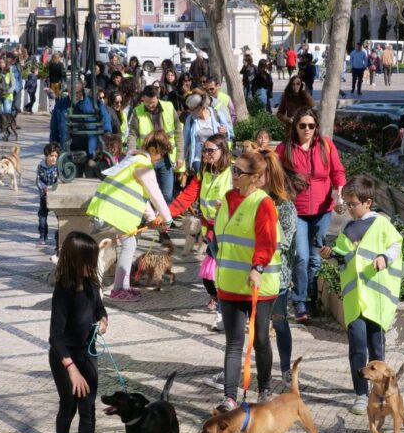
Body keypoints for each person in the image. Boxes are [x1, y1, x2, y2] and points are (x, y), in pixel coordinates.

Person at [319, 175, 404, 415]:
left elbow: (396, 246)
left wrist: (384, 258)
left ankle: (383, 393)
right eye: (347, 204)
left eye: (352, 204)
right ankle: (360, 394)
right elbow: (343, 258)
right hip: (355, 301)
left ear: (368, 202)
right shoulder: (348, 228)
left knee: (377, 350)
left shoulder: (383, 224)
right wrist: (330, 255)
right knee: (357, 348)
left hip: (375, 302)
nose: (349, 208)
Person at [214, 151, 281, 411]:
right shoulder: (228, 198)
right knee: (233, 343)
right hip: (229, 285)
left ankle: (264, 390)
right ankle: (230, 397)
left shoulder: (263, 203)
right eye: (233, 169)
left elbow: (267, 241)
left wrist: (258, 267)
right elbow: (221, 239)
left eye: (238, 171)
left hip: (258, 287)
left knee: (261, 339)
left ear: (254, 178)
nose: (233, 174)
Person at [49, 231, 109, 433]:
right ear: (75, 261)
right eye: (88, 261)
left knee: (88, 409)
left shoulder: (92, 284)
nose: (92, 266)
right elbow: (55, 337)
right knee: (68, 406)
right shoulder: (62, 292)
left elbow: (99, 308)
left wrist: (103, 320)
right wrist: (71, 370)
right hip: (65, 358)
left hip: (88, 354)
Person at [276, 107, 347, 321]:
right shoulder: (285, 148)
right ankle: (299, 302)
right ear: (295, 127)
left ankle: (310, 298)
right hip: (296, 210)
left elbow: (337, 171)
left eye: (311, 126)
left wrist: (340, 189)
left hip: (322, 210)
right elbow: (275, 174)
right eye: (302, 126)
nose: (307, 130)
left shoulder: (325, 145)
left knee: (315, 258)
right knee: (301, 257)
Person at [86, 129, 174, 301]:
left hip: (105, 210)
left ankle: (122, 286)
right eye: (162, 154)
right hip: (114, 212)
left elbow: (142, 197)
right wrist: (168, 219)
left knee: (129, 244)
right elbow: (155, 194)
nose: (161, 158)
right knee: (129, 246)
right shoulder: (143, 166)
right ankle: (119, 289)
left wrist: (151, 219)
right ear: (155, 149)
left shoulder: (132, 160)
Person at [169, 133, 233, 332]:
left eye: (210, 150)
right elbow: (189, 194)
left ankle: (224, 314)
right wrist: (167, 213)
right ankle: (223, 305)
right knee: (211, 277)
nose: (206, 154)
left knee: (224, 275)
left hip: (230, 232)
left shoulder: (234, 172)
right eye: (204, 150)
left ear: (223, 151)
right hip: (211, 231)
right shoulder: (204, 171)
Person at [261, 150, 305, 387]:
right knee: (257, 327)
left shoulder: (285, 204)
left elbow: (286, 240)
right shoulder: (251, 200)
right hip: (253, 276)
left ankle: (286, 369)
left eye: (261, 173)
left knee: (279, 322)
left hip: (277, 276)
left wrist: (262, 248)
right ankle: (262, 372)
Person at [127, 85, 184, 203]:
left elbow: (178, 132)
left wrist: (180, 156)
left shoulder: (168, 107)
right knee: (150, 194)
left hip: (166, 158)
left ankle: (164, 220)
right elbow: (132, 135)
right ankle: (154, 220)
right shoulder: (137, 111)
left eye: (152, 102)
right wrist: (131, 154)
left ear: (158, 98)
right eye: (147, 102)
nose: (150, 105)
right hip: (147, 158)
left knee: (167, 195)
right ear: (142, 98)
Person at [49, 80, 112, 178]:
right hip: (69, 151)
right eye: (71, 92)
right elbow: (54, 127)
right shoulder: (61, 105)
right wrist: (53, 146)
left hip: (91, 151)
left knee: (92, 180)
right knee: (71, 179)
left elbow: (106, 122)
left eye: (77, 92)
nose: (74, 95)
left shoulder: (94, 104)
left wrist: (107, 135)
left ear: (82, 90)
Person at [182, 89, 233, 175]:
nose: (191, 112)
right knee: (202, 181)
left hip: (216, 156)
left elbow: (230, 133)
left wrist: (225, 132)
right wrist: (183, 160)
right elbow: (185, 142)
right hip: (198, 158)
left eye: (193, 110)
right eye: (190, 110)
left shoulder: (217, 114)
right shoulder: (190, 119)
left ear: (201, 107)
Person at [37, 143, 60, 247]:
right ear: (46, 156)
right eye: (51, 156)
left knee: (60, 215)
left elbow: (61, 179)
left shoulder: (58, 166)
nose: (54, 158)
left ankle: (60, 234)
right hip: (44, 195)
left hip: (56, 194)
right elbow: (38, 180)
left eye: (56, 156)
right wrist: (43, 189)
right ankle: (42, 235)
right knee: (42, 215)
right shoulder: (41, 166)